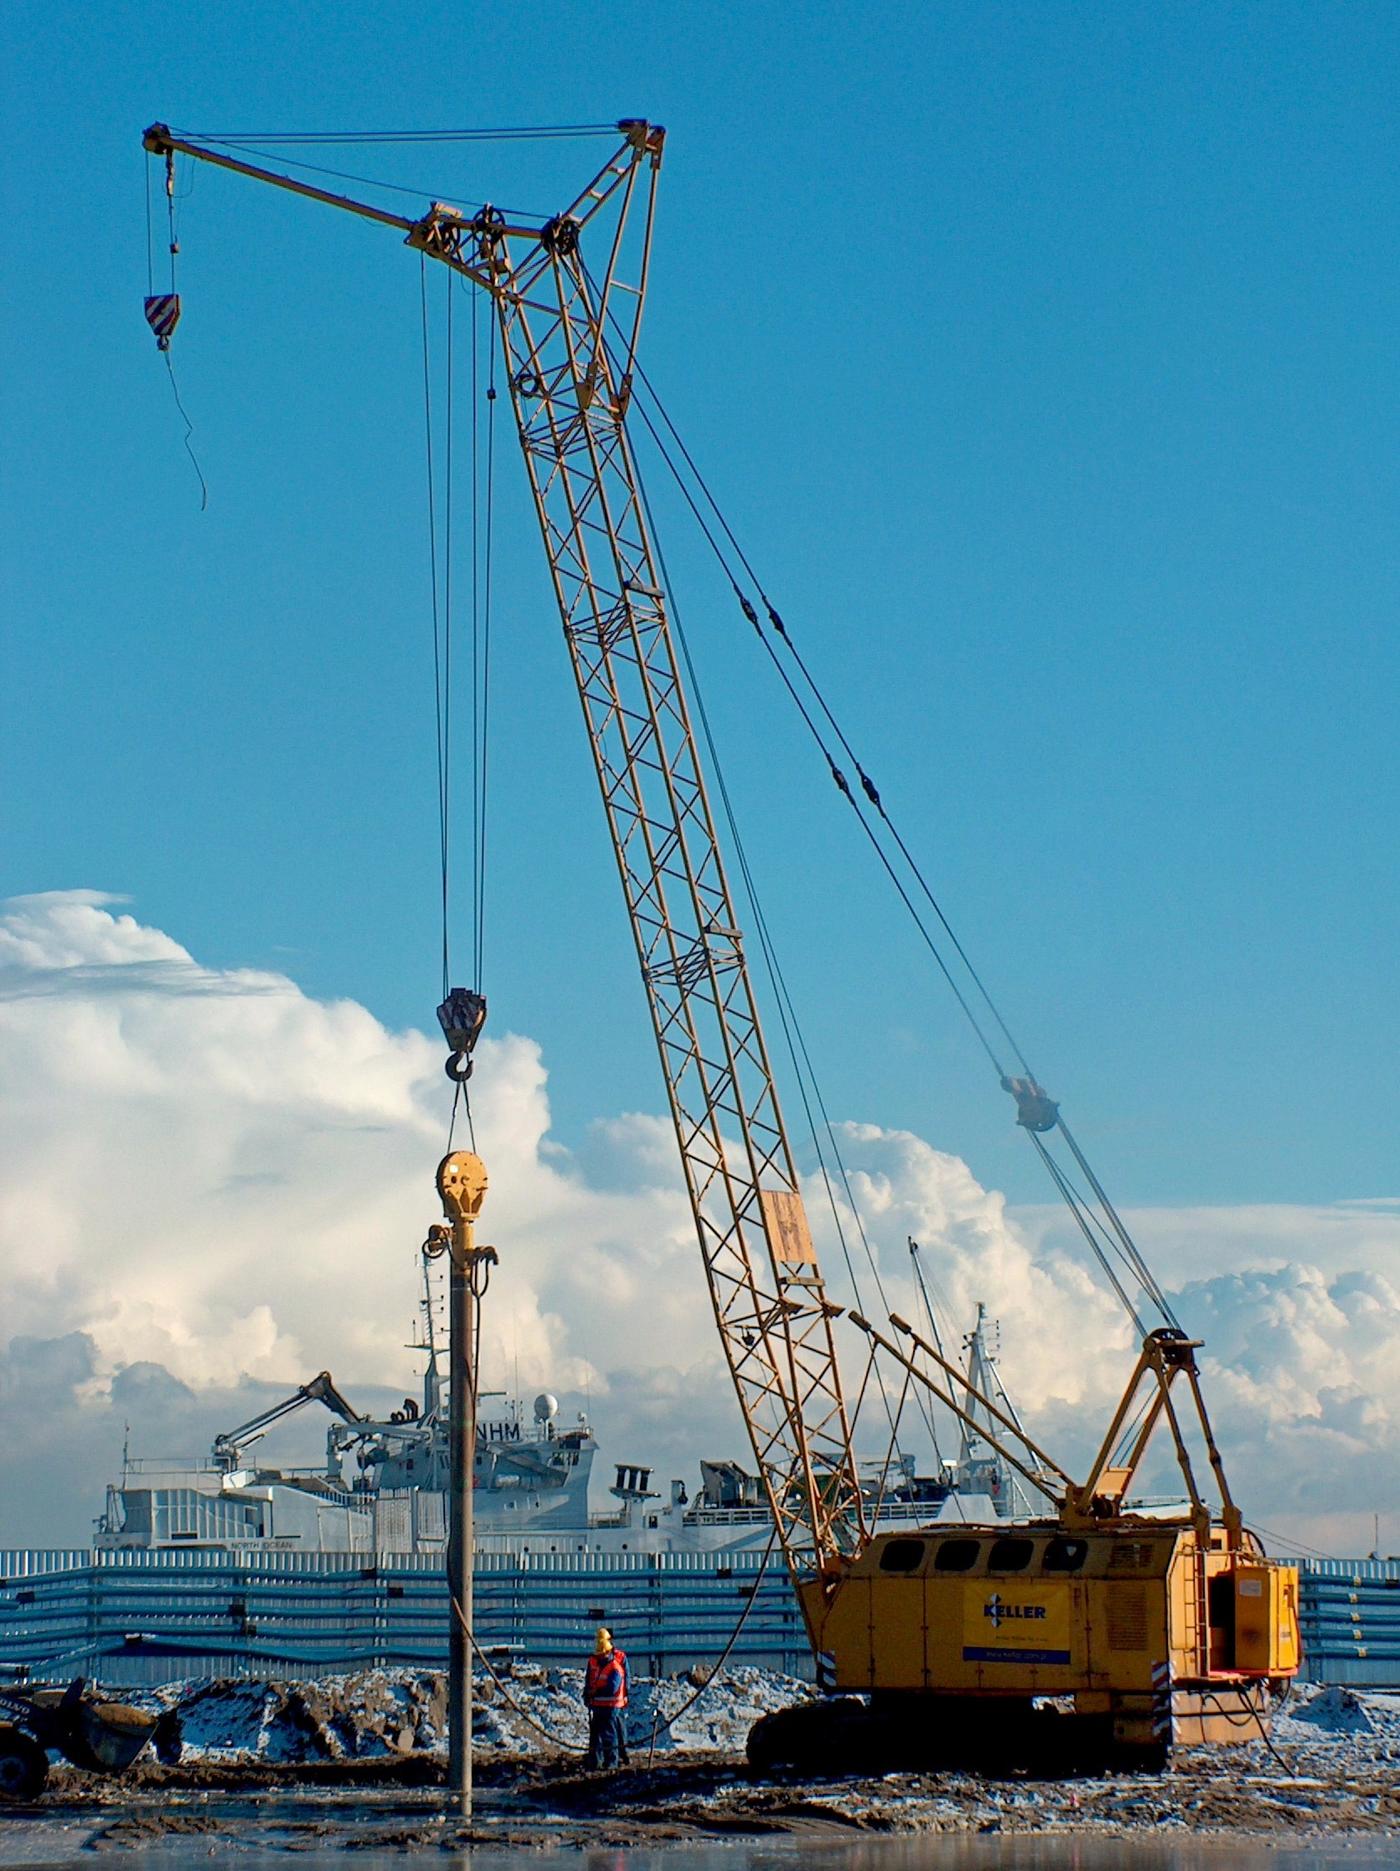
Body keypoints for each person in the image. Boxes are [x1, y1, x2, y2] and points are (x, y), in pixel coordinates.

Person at [582, 1625, 628, 1770]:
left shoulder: (615, 1666)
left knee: (610, 1735)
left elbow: (612, 1688)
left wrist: (594, 1693)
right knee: (596, 1736)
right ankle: (596, 1761)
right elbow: (589, 1679)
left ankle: (613, 1761)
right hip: (598, 1705)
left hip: (611, 1706)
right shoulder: (594, 1661)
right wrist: (587, 1695)